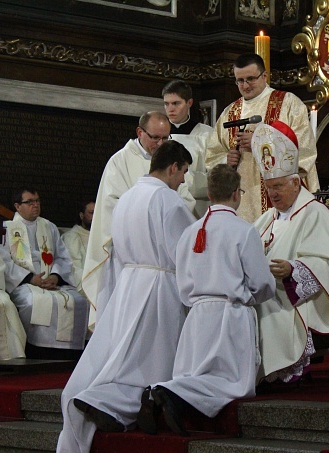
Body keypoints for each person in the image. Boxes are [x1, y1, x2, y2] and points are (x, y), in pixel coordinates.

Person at [57, 141, 195, 452]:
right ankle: (107, 401)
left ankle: (105, 402)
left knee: (126, 355)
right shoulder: (168, 201)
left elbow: (116, 252)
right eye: (183, 172)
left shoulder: (127, 198)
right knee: (150, 360)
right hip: (161, 286)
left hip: (130, 283)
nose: (183, 180)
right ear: (173, 167)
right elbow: (184, 251)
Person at [137, 164, 275, 435]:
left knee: (196, 374)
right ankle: (168, 392)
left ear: (210, 195)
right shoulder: (244, 231)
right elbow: (261, 283)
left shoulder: (189, 231)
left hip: (197, 316)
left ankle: (169, 396)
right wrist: (256, 296)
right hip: (230, 316)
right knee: (232, 383)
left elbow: (182, 280)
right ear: (237, 194)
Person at [250, 121, 329, 384]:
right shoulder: (267, 218)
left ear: (296, 182)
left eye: (278, 186)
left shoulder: (316, 214)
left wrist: (293, 269)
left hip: (293, 294)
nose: (272, 194)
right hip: (268, 287)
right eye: (269, 187)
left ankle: (278, 373)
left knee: (267, 302)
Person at [82, 111, 195, 329]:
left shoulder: (172, 160)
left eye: (166, 138)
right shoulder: (120, 161)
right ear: (140, 132)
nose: (161, 144)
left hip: (162, 259)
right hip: (129, 258)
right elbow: (110, 208)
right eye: (155, 138)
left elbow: (185, 201)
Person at [205, 53, 320, 223]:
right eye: (240, 81)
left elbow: (304, 151)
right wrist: (226, 160)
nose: (245, 85)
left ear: (264, 76)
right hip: (242, 200)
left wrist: (259, 144)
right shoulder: (229, 113)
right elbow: (212, 156)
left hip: (279, 198)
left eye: (250, 78)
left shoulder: (288, 104)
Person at [1, 188, 90, 360]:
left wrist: (55, 276)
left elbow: (62, 257)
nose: (35, 205)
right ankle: (37, 352)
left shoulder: (49, 227)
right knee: (33, 302)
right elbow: (4, 262)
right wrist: (31, 278)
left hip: (51, 281)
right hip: (25, 282)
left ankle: (71, 354)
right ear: (17, 206)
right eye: (30, 202)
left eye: (38, 201)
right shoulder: (7, 229)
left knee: (79, 301)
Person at [163, 79, 214, 217]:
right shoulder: (159, 135)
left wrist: (187, 182)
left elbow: (214, 175)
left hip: (198, 209)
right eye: (166, 104)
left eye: (176, 103)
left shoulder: (206, 134)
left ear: (189, 103)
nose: (170, 109)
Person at [61, 200, 94, 294]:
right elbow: (73, 267)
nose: (95, 216)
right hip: (87, 283)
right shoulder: (71, 237)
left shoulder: (103, 237)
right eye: (91, 213)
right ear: (81, 215)